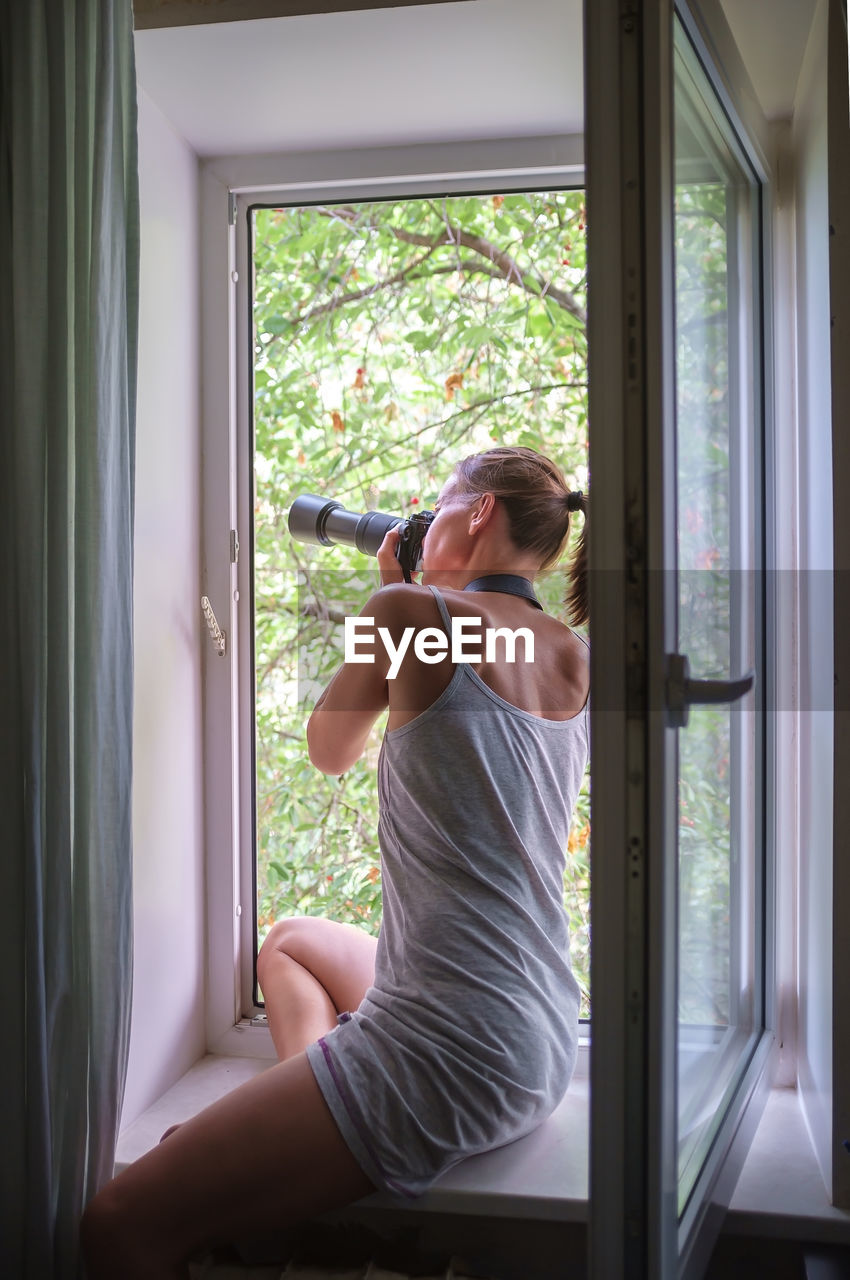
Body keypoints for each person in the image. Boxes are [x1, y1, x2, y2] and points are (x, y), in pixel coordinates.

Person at [80, 445, 589, 1279]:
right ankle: (315, 1137)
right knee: (289, 941)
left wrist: (393, 597)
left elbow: (328, 747)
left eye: (443, 499)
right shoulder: (575, 657)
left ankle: (320, 1143)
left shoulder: (411, 614)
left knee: (118, 1225)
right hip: (537, 1034)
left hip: (447, 1048)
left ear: (482, 512)